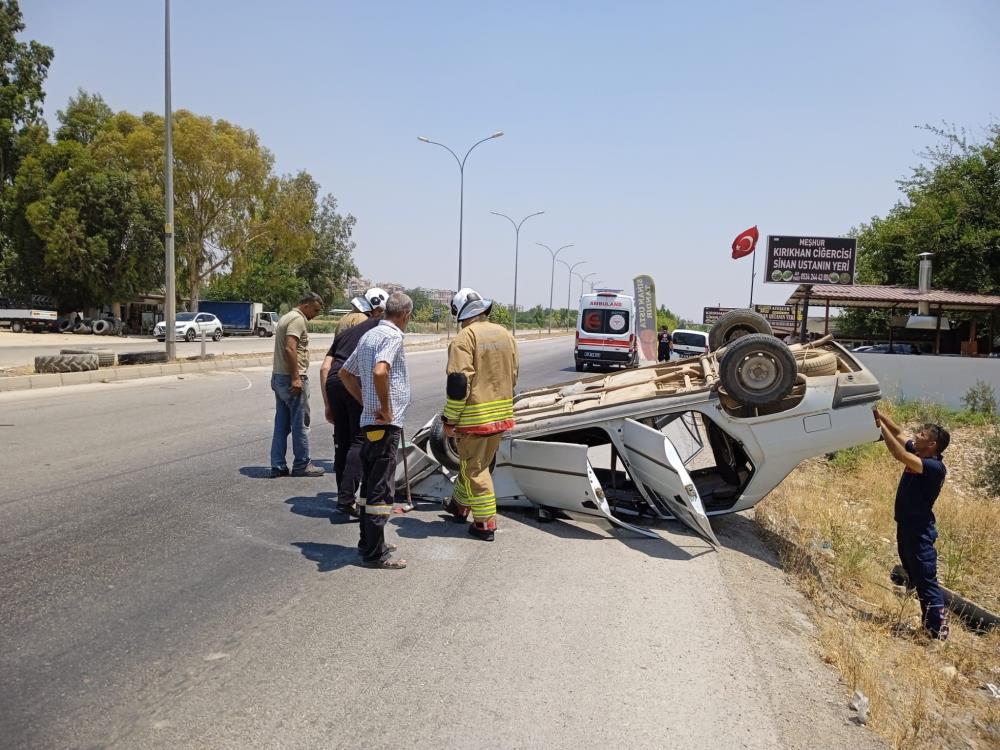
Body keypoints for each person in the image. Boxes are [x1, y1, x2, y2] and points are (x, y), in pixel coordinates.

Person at [338, 292, 413, 569]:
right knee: (381, 491)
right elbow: (381, 371)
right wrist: (384, 407)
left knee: (369, 487)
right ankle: (375, 554)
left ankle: (370, 542)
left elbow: (345, 373)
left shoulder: (370, 335)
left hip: (370, 423)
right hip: (384, 425)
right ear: (405, 315)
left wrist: (366, 402)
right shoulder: (392, 336)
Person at [441, 288, 519, 541]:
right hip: (501, 413)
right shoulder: (506, 334)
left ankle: (485, 524)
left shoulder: (464, 338)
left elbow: (458, 384)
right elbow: (514, 374)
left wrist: (449, 419)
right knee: (476, 463)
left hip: (474, 417)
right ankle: (459, 505)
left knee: (475, 469)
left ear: (459, 312)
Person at [874, 406, 950, 640]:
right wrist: (878, 414)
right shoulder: (920, 453)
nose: (916, 436)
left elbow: (899, 454)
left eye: (923, 435)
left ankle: (937, 634)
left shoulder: (934, 467)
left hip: (919, 532)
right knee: (916, 576)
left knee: (926, 580)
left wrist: (879, 429)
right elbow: (899, 433)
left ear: (933, 445)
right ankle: (928, 628)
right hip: (906, 527)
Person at [320, 288, 387, 515]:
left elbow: (325, 368)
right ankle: (347, 498)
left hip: (333, 382)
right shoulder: (380, 329)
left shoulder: (345, 332)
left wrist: (328, 403)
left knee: (342, 441)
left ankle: (343, 496)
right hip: (351, 380)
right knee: (360, 440)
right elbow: (379, 368)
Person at [270, 292, 326, 478]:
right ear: (306, 305)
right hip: (291, 378)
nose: (316, 315)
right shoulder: (297, 320)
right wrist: (296, 378)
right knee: (300, 423)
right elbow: (290, 348)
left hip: (279, 376)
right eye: (315, 310)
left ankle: (278, 465)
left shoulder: (286, 317)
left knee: (282, 423)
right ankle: (302, 464)